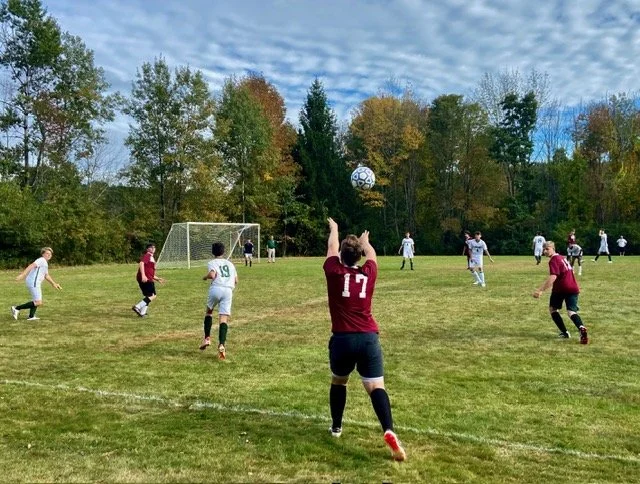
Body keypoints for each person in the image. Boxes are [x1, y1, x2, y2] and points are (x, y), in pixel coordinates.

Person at [323, 217, 406, 462]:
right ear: (359, 255)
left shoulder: (334, 271)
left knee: (339, 381)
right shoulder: (369, 272)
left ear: (341, 255)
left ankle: (337, 427)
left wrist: (335, 229)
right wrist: (366, 242)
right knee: (375, 387)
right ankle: (389, 429)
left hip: (343, 339)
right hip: (368, 337)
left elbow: (331, 248)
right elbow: (372, 256)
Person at [533, 241, 589, 344]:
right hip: (573, 288)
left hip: (561, 289)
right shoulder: (562, 257)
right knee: (571, 312)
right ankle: (581, 328)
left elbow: (553, 276)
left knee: (553, 309)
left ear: (553, 248)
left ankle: (565, 333)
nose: (545, 251)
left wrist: (540, 290)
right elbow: (572, 270)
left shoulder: (554, 260)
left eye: (547, 249)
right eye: (544, 249)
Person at [199, 242, 238, 360]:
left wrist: (205, 277)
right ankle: (221, 345)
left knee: (209, 312)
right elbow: (236, 280)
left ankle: (207, 338)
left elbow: (212, 275)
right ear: (223, 251)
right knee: (223, 319)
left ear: (213, 252)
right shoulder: (230, 264)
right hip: (228, 291)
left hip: (216, 288)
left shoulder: (212, 262)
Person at [11, 247, 62, 321]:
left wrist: (54, 284)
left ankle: (31, 316)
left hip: (35, 282)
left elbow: (46, 275)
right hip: (33, 282)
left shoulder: (45, 263)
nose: (49, 255)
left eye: (50, 254)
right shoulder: (41, 260)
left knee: (36, 300)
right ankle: (16, 308)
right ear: (43, 254)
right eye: (47, 253)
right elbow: (31, 265)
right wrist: (23, 274)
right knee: (38, 302)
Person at [132, 243, 165, 317]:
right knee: (153, 295)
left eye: (154, 247)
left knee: (148, 296)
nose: (153, 248)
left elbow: (149, 272)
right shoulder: (148, 255)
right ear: (147, 249)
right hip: (146, 279)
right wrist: (143, 275)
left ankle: (142, 313)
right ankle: (138, 307)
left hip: (146, 278)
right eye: (151, 247)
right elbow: (141, 263)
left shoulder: (151, 257)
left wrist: (157, 279)